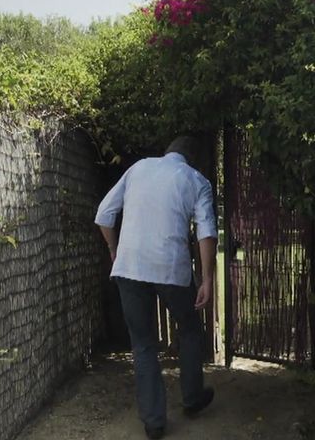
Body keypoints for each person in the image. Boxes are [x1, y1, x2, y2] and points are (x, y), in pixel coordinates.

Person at [95, 135, 217, 440]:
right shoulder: (196, 180)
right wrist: (207, 279)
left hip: (129, 266)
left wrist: (113, 250)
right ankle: (192, 398)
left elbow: (104, 215)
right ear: (192, 159)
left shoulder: (138, 169)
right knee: (189, 329)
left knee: (143, 343)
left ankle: (154, 423)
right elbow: (206, 232)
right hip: (170, 268)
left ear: (167, 153)